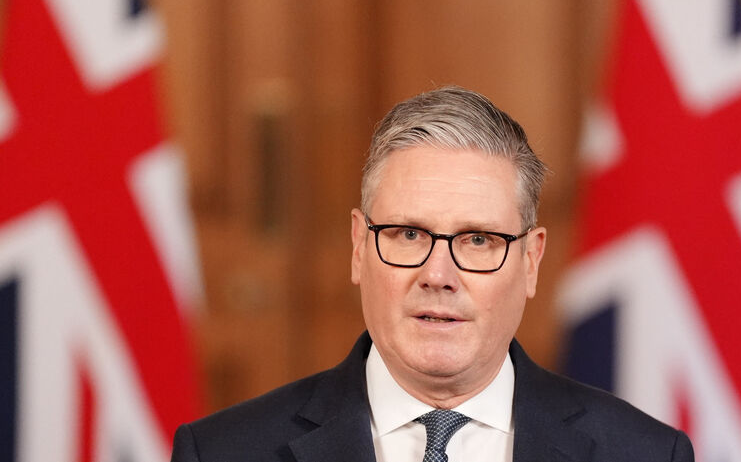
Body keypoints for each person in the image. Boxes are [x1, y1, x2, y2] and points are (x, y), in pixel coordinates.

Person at [170, 86, 694, 462]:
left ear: (530, 261)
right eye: (409, 235)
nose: (438, 274)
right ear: (359, 248)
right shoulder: (220, 452)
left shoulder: (646, 453)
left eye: (478, 240)